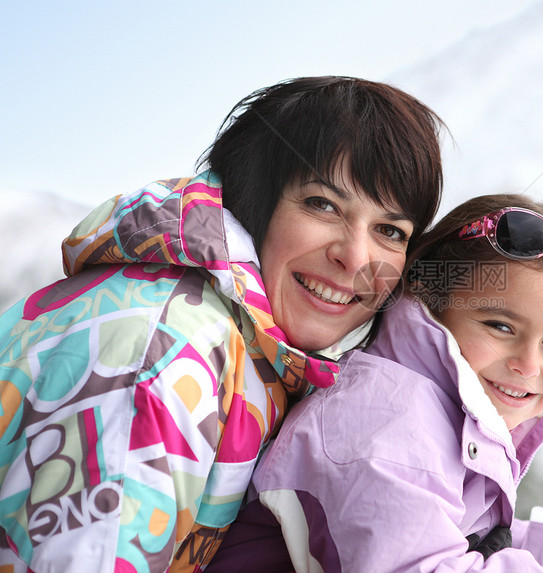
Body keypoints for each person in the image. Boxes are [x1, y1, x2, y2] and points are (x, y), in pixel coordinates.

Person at [0, 76, 444, 572]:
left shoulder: (251, 348)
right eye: (322, 204)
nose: (356, 257)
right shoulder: (162, 353)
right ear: (254, 201)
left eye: (390, 230)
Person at [208, 194, 543, 571]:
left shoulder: (440, 414)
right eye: (500, 326)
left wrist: (538, 549)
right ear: (430, 301)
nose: (527, 365)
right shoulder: (386, 422)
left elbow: (436, 525)